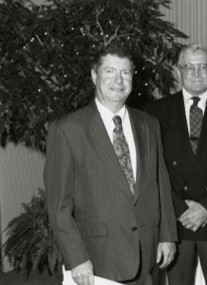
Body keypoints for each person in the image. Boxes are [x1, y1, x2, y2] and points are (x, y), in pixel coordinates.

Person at [44, 43, 177, 285]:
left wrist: (167, 235)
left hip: (148, 253)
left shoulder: (149, 124)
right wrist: (77, 257)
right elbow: (58, 206)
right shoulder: (67, 129)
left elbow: (161, 184)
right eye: (109, 71)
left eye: (125, 72)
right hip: (98, 258)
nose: (118, 80)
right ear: (95, 75)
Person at [145, 44, 207, 285]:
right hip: (176, 221)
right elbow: (153, 170)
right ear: (179, 72)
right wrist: (181, 209)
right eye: (189, 67)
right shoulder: (155, 113)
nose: (196, 73)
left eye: (203, 67)